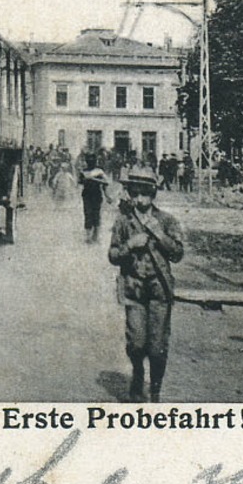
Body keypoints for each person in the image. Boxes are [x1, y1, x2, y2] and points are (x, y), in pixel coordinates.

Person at [109, 167, 186, 403]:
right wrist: (130, 245)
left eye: (144, 194)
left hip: (159, 290)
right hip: (133, 289)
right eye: (135, 194)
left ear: (153, 194)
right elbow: (112, 255)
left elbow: (178, 253)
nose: (139, 199)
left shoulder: (166, 220)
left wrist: (159, 235)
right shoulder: (124, 222)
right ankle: (137, 373)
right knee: (136, 343)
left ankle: (155, 389)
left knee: (157, 346)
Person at [79, 161, 111, 244]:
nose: (90, 162)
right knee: (88, 214)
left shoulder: (99, 171)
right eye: (88, 159)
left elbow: (106, 182)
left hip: (96, 196)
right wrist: (84, 180)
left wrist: (107, 196)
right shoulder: (83, 171)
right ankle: (88, 236)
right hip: (86, 196)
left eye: (92, 159)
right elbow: (80, 182)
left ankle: (96, 236)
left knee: (96, 214)